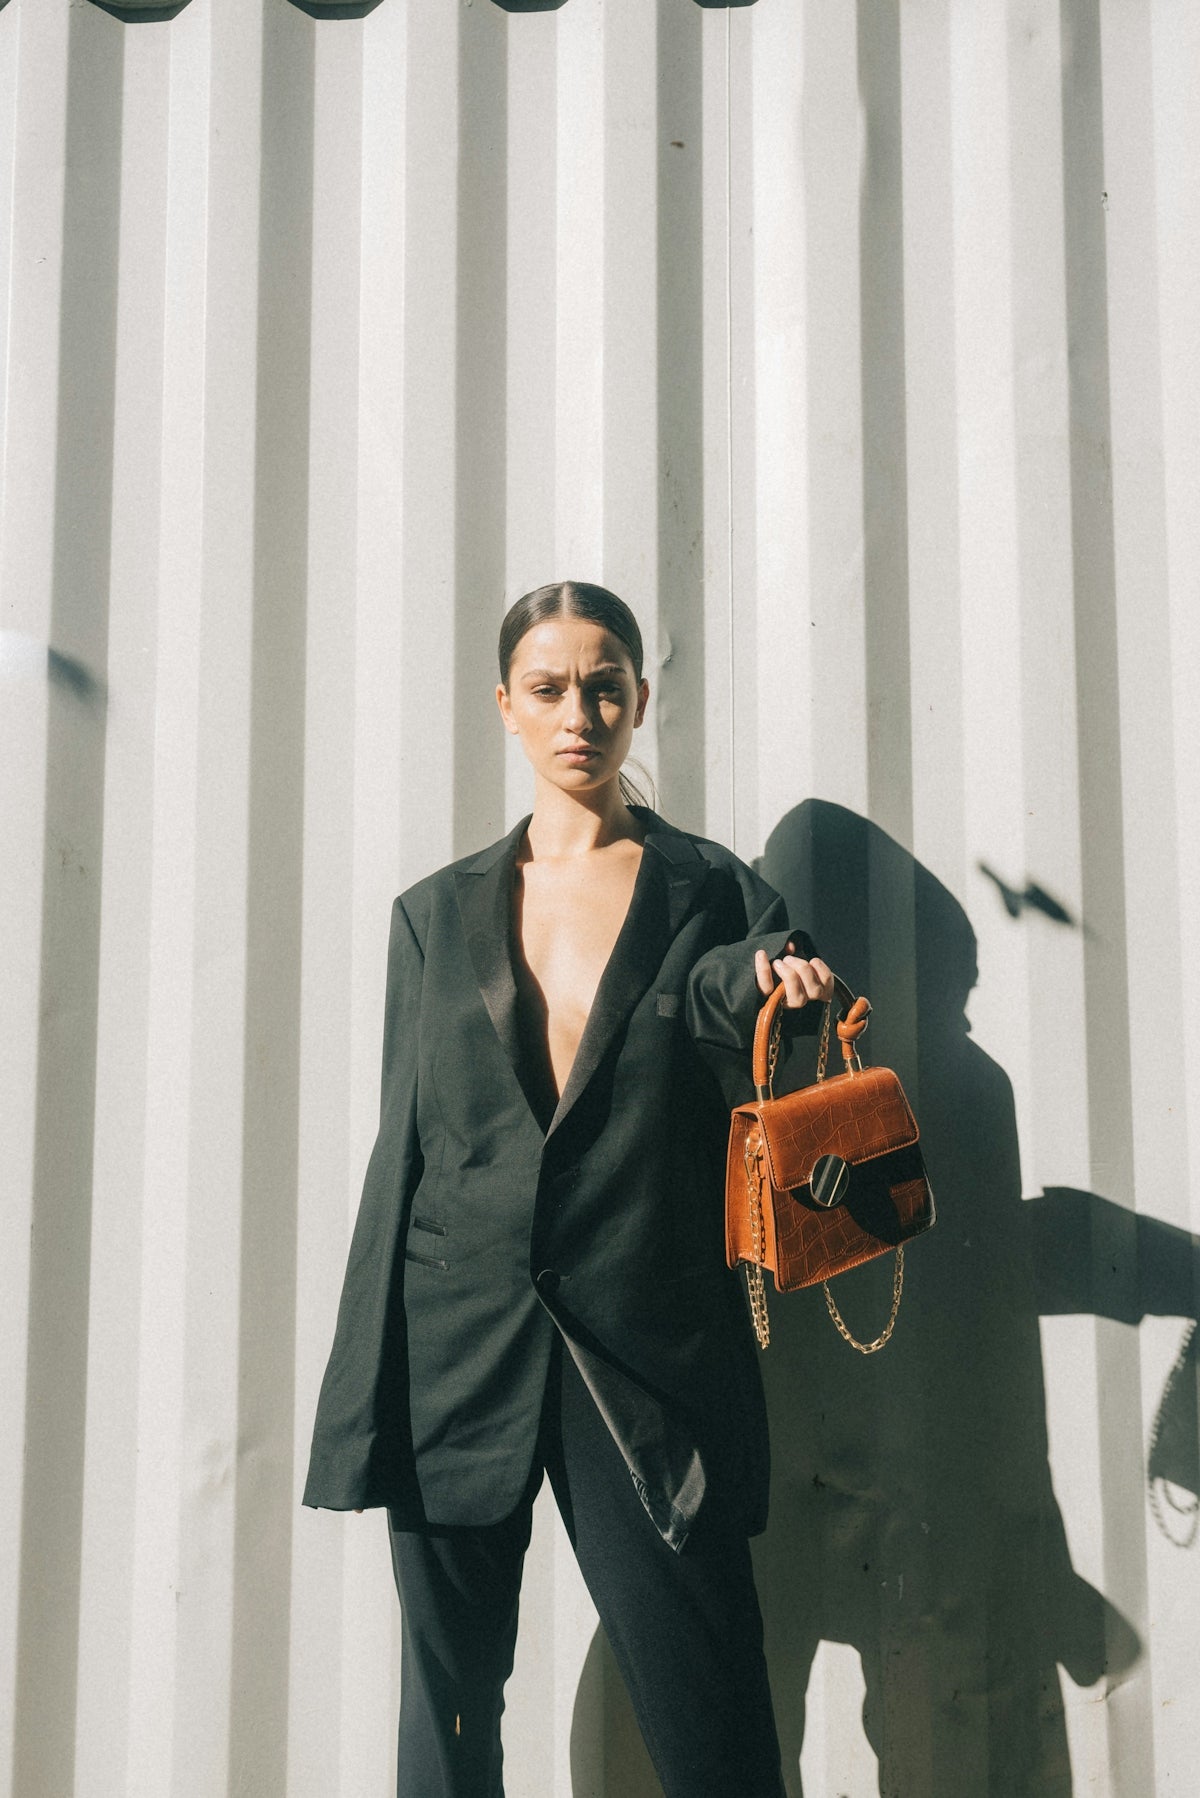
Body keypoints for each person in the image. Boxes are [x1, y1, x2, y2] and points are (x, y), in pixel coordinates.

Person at [303, 581, 833, 1797]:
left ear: (639, 698)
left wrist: (778, 985)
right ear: (507, 704)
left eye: (604, 687)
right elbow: (405, 1149)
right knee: (446, 1716)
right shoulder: (434, 915)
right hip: (457, 1348)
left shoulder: (714, 894)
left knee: (709, 1707)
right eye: (548, 689)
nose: (578, 714)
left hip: (643, 1355)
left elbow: (733, 1008)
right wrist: (367, 1385)